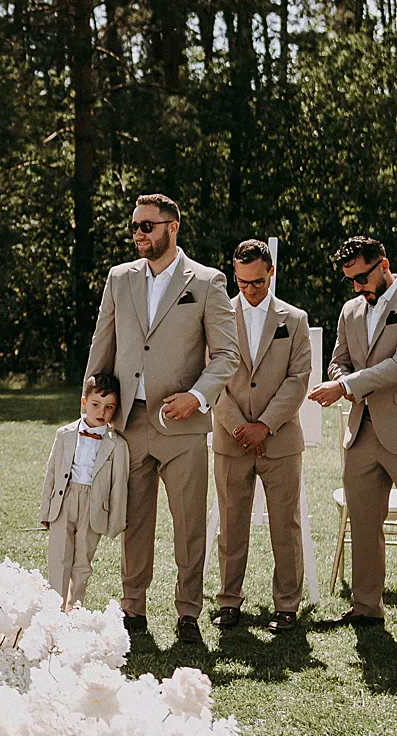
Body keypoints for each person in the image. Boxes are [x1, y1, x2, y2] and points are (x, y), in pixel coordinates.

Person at [84, 193, 237, 643]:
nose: (138, 234)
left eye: (147, 226)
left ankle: (189, 613)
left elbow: (226, 355)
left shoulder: (207, 282)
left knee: (190, 524)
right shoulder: (120, 278)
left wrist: (197, 397)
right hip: (129, 421)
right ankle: (134, 611)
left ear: (173, 227)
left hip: (183, 424)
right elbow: (103, 344)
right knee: (134, 522)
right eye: (135, 226)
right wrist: (92, 399)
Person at [210, 239, 312, 635]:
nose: (249, 290)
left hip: (280, 440)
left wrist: (264, 425)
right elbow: (211, 377)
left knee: (285, 527)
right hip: (230, 439)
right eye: (242, 282)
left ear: (271, 273)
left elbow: (298, 379)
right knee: (231, 526)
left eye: (256, 282)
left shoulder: (295, 319)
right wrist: (238, 426)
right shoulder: (217, 315)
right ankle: (229, 601)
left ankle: (287, 604)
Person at [310, 233, 397, 625]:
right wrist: (339, 377)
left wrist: (346, 385)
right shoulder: (350, 310)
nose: (357, 286)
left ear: (383, 264)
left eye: (362, 277)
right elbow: (337, 360)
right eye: (351, 280)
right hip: (361, 433)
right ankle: (365, 609)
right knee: (363, 524)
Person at [39, 370, 129, 609]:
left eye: (109, 407)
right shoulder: (64, 434)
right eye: (96, 404)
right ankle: (54, 611)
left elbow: (119, 485)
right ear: (84, 402)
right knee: (59, 557)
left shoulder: (117, 444)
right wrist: (46, 511)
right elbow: (51, 474)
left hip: (94, 504)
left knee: (82, 561)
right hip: (64, 500)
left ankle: (75, 608)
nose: (102, 412)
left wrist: (115, 522)